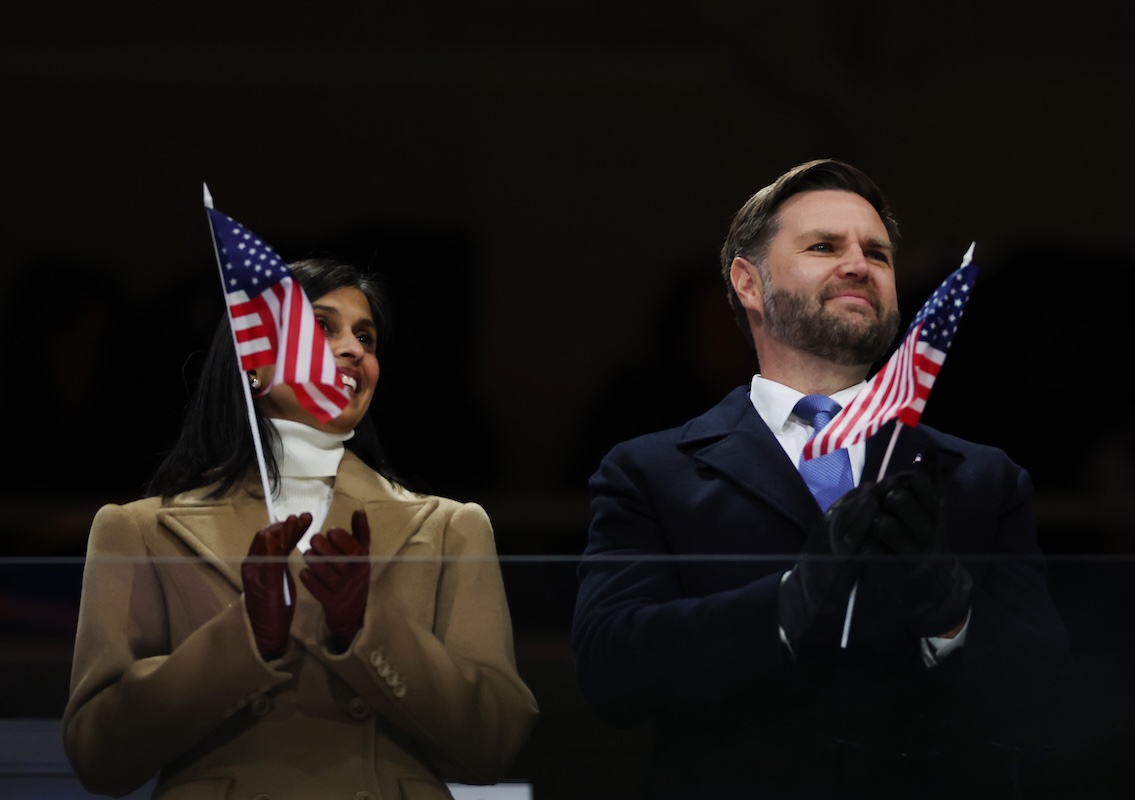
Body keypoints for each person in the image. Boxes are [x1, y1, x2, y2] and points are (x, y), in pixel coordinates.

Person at [571, 160, 1075, 798]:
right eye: (823, 247)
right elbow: (611, 674)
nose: (859, 265)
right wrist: (788, 601)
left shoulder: (983, 480)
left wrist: (952, 618)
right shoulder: (649, 472)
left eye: (878, 253)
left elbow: (1051, 708)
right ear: (748, 283)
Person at [63, 258, 539, 799]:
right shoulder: (138, 531)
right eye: (322, 327)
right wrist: (246, 639)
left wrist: (366, 629)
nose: (354, 348)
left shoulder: (453, 528)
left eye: (365, 336)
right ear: (254, 364)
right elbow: (98, 757)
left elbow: (494, 745)